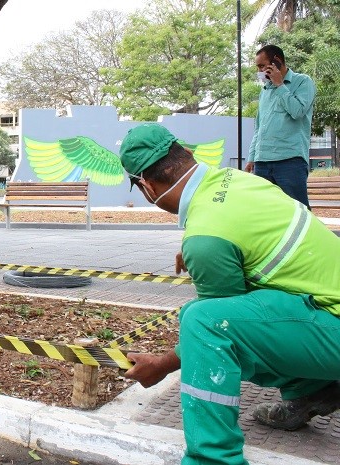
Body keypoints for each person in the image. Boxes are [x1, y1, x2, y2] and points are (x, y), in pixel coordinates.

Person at [119, 123, 340, 465]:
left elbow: (219, 326)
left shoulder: (207, 236)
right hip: (327, 313)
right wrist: (205, 245)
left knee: (202, 322)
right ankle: (314, 391)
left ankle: (214, 459)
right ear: (188, 154)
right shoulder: (240, 181)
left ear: (147, 187)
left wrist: (162, 365)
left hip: (333, 330)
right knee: (248, 312)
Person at [245, 44, 316, 208]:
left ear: (276, 61)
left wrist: (280, 85)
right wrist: (252, 156)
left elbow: (298, 111)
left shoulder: (302, 82)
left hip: (289, 160)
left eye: (262, 66)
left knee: (298, 211)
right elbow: (259, 126)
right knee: (265, 211)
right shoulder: (265, 90)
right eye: (258, 67)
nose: (260, 71)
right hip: (262, 162)